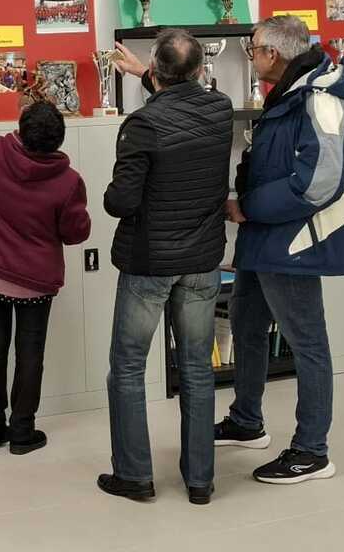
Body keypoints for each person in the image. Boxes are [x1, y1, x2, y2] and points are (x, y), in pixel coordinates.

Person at [216, 15, 344, 484]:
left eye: (253, 49)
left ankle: (311, 451)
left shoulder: (323, 98)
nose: (251, 56)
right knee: (246, 324)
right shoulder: (289, 91)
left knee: (307, 342)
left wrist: (248, 206)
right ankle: (246, 421)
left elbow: (318, 184)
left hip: (296, 238)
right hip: (267, 234)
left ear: (273, 53)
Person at [97, 32, 233, 505]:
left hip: (149, 263)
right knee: (196, 368)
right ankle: (200, 481)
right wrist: (147, 77)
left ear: (155, 71)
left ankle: (134, 476)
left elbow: (121, 201)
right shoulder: (221, 109)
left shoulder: (142, 124)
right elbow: (184, 110)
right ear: (201, 70)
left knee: (128, 367)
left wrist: (109, 191)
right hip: (202, 261)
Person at [0, 102, 91, 455]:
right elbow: (76, 233)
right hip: (35, 280)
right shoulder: (68, 182)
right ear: (59, 140)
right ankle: (22, 431)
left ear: (20, 128)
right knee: (30, 352)